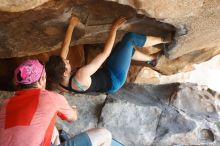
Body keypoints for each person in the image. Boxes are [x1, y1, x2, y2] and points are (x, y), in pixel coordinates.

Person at [46, 16, 171, 93]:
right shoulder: (80, 75)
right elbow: (105, 53)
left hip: (105, 76)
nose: (68, 61)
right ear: (65, 73)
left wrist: (72, 25)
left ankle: (152, 59)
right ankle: (165, 39)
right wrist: (114, 29)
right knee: (129, 38)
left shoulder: (59, 79)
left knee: (122, 49)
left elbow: (65, 47)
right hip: (114, 78)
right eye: (66, 63)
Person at [0, 59, 112, 146]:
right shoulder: (51, 97)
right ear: (41, 79)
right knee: (104, 134)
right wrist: (74, 110)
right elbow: (73, 118)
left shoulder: (5, 104)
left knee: (53, 130)